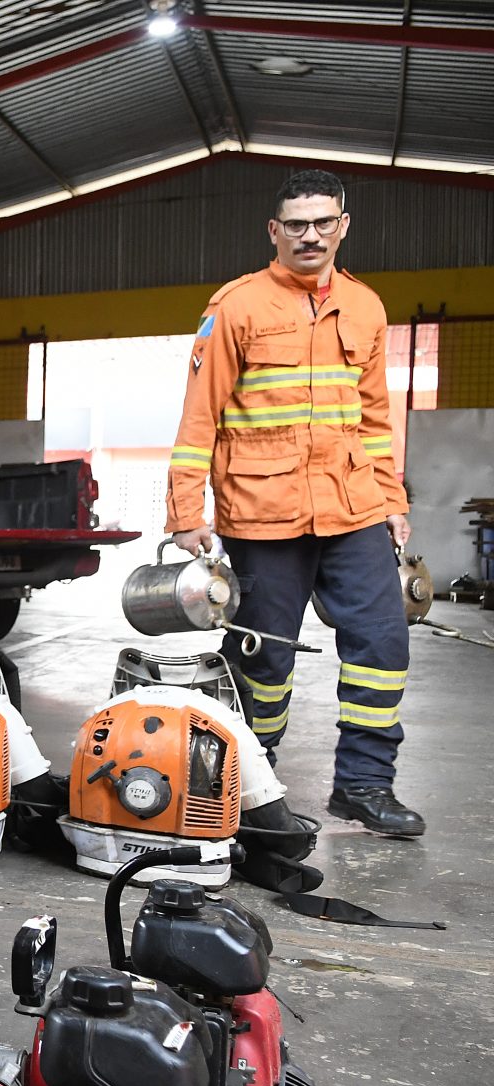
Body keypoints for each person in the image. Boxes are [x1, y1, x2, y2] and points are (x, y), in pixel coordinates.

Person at [166, 168, 422, 837]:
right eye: (296, 225)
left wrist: (392, 498)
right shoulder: (238, 306)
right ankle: (255, 791)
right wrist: (186, 513)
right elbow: (201, 417)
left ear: (343, 226)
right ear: (275, 232)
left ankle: (365, 786)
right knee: (264, 660)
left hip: (354, 509)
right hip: (263, 513)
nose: (310, 236)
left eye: (322, 222)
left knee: (383, 642)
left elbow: (373, 419)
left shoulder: (365, 307)